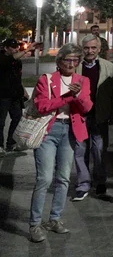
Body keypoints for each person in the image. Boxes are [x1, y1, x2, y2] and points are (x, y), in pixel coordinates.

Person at [28, 43, 93, 243]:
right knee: (45, 178)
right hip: (49, 130)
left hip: (70, 131)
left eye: (76, 60)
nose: (72, 64)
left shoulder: (83, 80)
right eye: (68, 60)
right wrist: (67, 96)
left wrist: (78, 96)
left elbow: (87, 107)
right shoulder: (46, 80)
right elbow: (41, 105)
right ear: (59, 61)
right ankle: (35, 224)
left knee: (64, 178)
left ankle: (55, 219)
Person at [72, 34, 113, 200]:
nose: (90, 51)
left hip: (100, 116)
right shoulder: (74, 66)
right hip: (79, 115)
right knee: (80, 150)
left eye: (93, 48)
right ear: (82, 49)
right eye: (86, 48)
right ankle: (83, 184)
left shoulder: (109, 67)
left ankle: (100, 181)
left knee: (99, 150)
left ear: (99, 49)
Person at [0, 38, 35, 154]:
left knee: (17, 118)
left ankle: (11, 143)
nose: (16, 49)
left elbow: (17, 77)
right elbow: (10, 59)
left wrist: (23, 90)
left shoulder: (17, 61)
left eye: (17, 47)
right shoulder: (3, 58)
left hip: (15, 95)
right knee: (1, 121)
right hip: (3, 95)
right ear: (5, 48)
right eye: (13, 47)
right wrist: (27, 50)